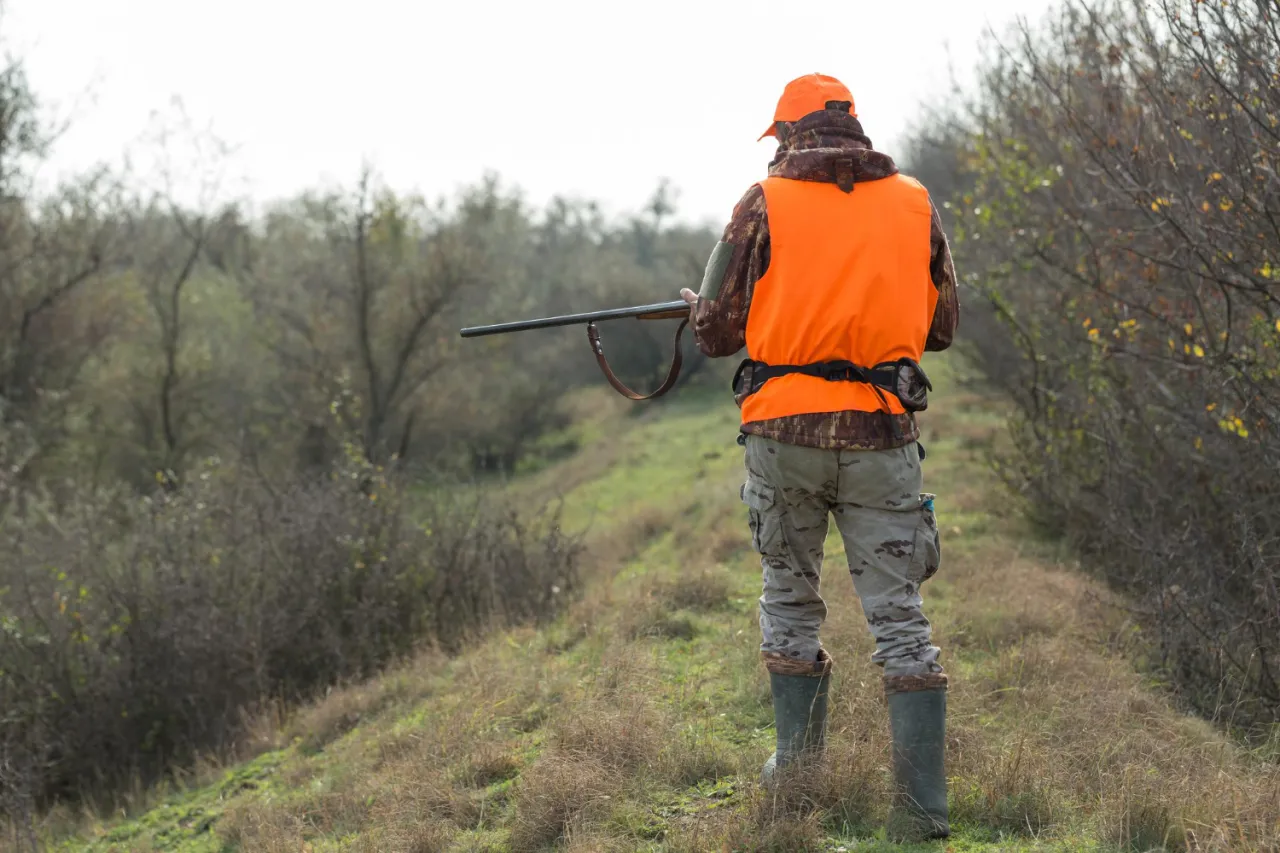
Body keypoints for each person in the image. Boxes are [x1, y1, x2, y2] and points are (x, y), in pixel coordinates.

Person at [678, 72, 960, 841]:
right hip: (882, 433)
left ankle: (798, 781)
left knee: (789, 597)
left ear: (788, 135)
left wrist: (704, 304)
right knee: (901, 615)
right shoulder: (916, 202)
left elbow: (712, 333)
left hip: (784, 437)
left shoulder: (762, 203)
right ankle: (922, 812)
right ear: (852, 128)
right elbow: (942, 327)